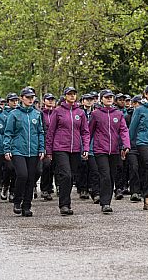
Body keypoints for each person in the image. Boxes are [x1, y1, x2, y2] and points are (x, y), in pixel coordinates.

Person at [45, 87, 90, 216]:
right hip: (60, 148)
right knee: (66, 175)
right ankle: (64, 204)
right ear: (65, 96)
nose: (71, 96)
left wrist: (85, 148)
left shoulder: (80, 112)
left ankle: (67, 203)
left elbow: (85, 132)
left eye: (74, 94)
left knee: (71, 177)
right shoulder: (58, 111)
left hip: (75, 149)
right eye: (69, 94)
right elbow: (51, 131)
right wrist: (49, 150)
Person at [4, 88, 45, 217]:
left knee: (31, 178)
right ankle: (17, 200)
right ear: (22, 98)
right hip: (18, 150)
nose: (30, 99)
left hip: (33, 151)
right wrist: (7, 149)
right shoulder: (14, 114)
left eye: (32, 97)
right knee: (22, 175)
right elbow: (8, 133)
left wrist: (41, 148)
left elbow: (40, 132)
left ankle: (27, 206)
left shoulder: (37, 114)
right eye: (28, 97)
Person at [89, 89, 130, 214]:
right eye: (106, 97)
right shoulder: (96, 114)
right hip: (100, 149)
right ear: (101, 99)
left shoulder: (118, 114)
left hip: (114, 150)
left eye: (111, 97)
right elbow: (89, 131)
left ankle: (107, 199)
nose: (109, 99)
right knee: (105, 175)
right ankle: (105, 203)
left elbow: (123, 130)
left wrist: (126, 145)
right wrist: (85, 148)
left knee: (111, 175)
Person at [1, 92, 19, 202]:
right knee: (8, 168)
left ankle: (13, 191)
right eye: (12, 100)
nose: (15, 102)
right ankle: (5, 185)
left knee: (17, 170)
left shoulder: (19, 112)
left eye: (16, 100)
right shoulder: (4, 114)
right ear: (8, 102)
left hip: (18, 145)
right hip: (7, 144)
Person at [40, 93, 56, 201]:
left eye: (52, 99)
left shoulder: (58, 113)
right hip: (45, 143)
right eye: (48, 99)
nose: (50, 101)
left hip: (58, 143)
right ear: (44, 101)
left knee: (56, 166)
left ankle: (53, 187)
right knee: (46, 165)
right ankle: (45, 188)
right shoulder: (40, 114)